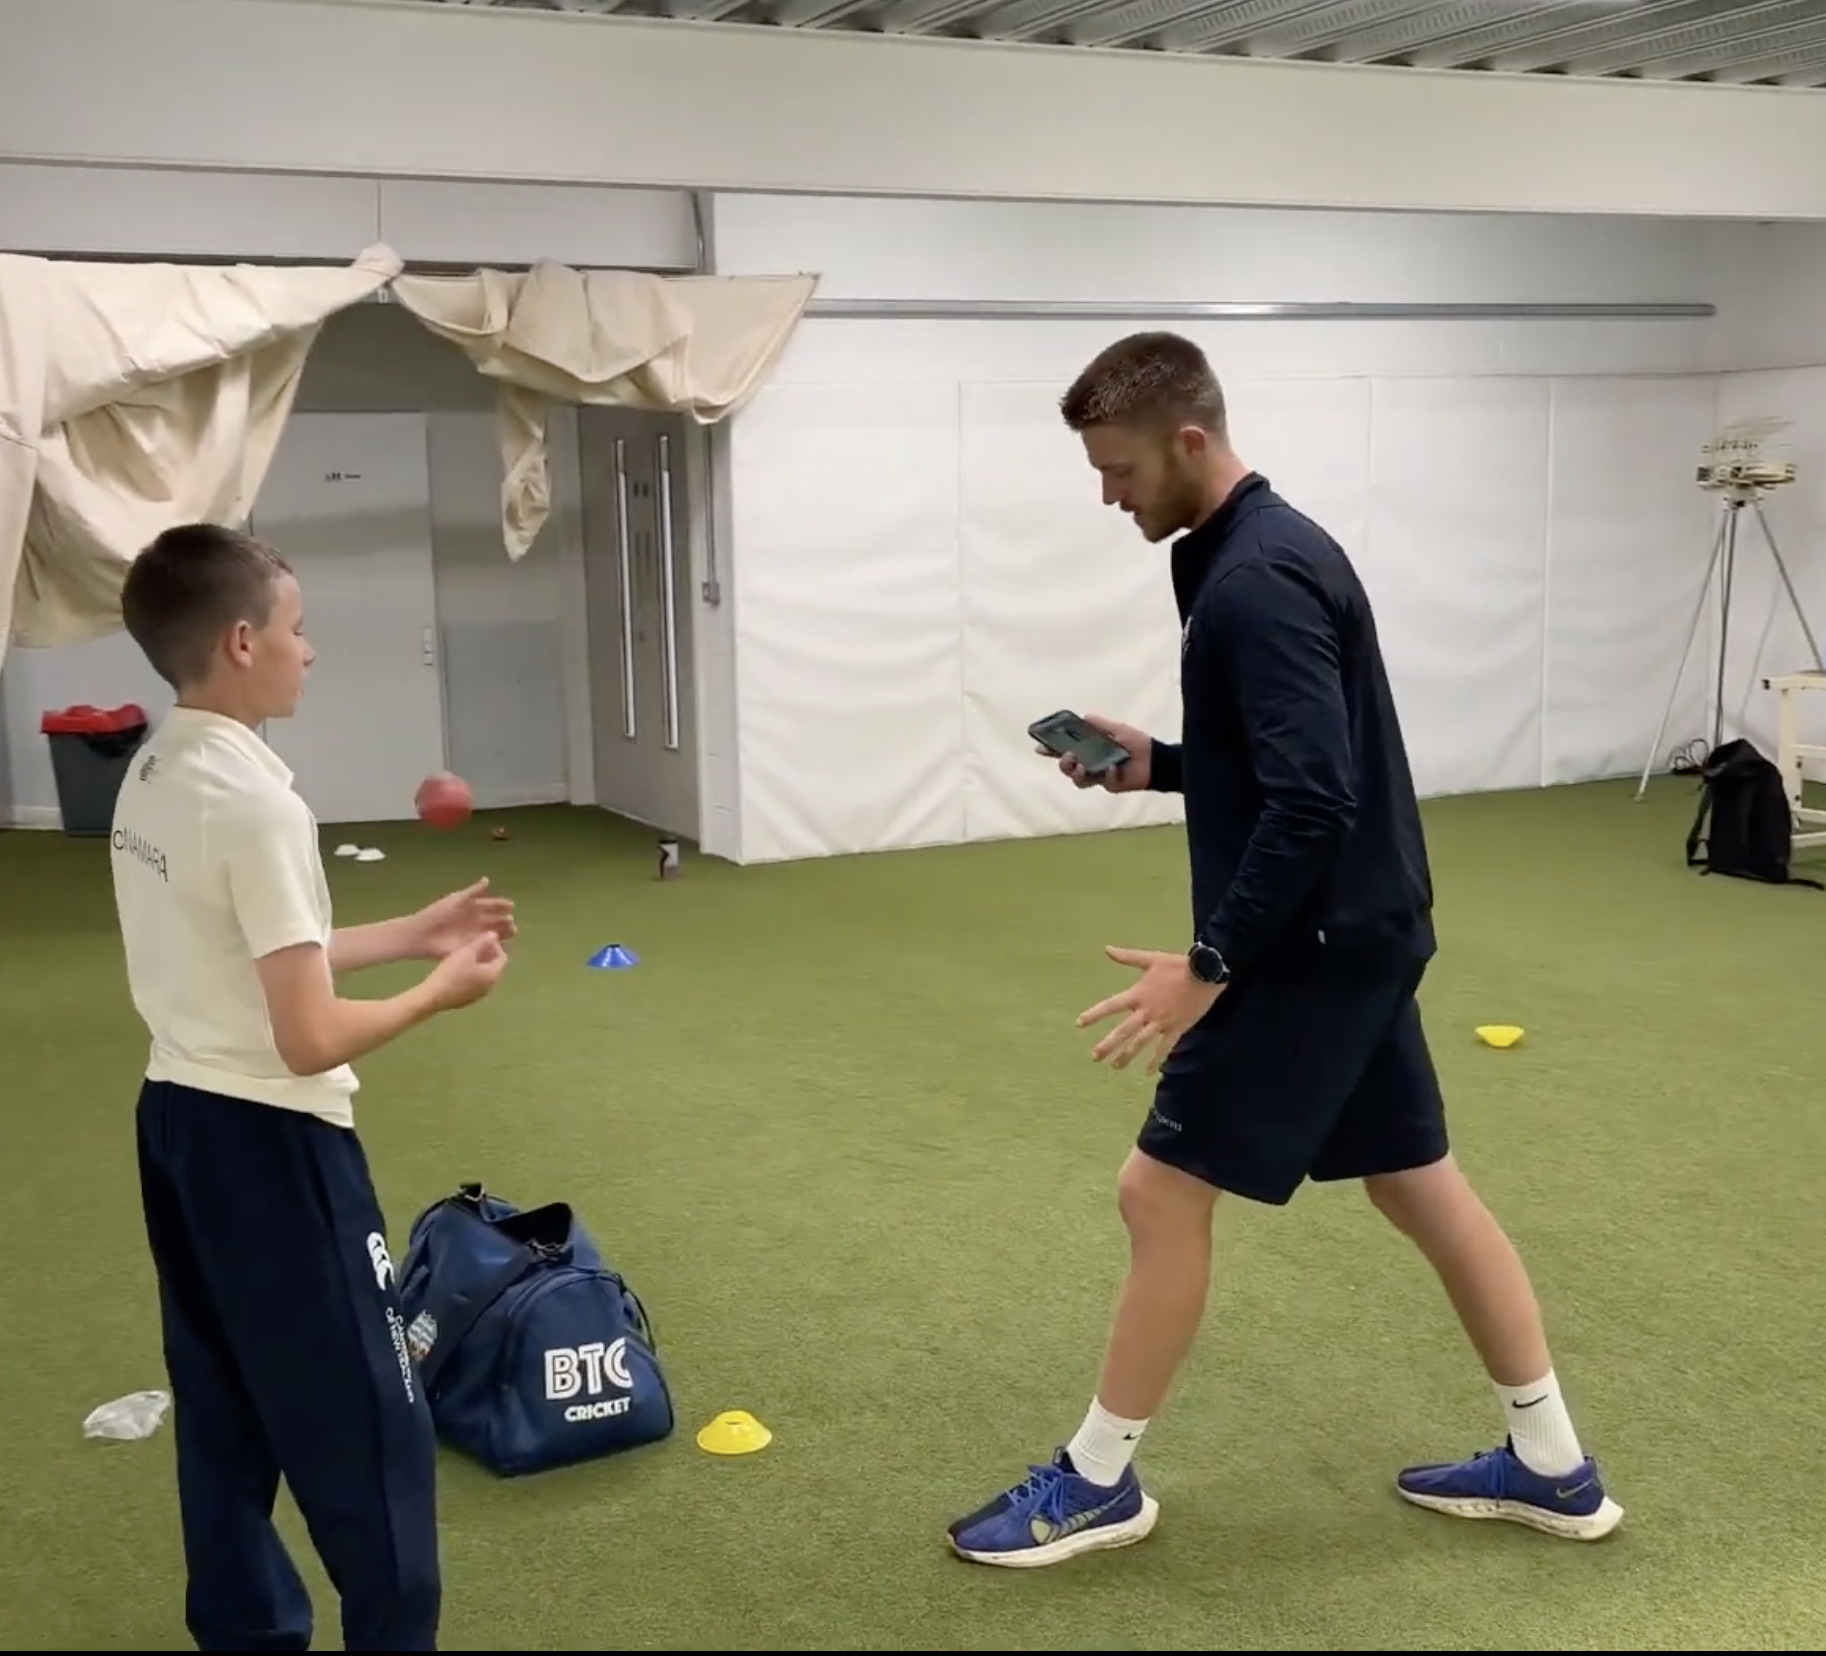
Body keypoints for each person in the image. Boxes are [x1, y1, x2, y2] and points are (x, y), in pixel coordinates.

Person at [946, 333, 1621, 1570]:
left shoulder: (1253, 581)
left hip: (1311, 948)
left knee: (1157, 1191)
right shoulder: (1251, 552)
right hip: (1360, 931)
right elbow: (1297, 765)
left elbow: (1313, 802)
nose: (1108, 495)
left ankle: (1096, 1484)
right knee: (1415, 1182)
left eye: (1118, 470)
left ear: (1189, 442)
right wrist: (1155, 761)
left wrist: (1205, 967)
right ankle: (1550, 1464)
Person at [110, 523, 515, 1651]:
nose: (310, 651)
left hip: (177, 1127)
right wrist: (438, 991)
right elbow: (305, 1035)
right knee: (377, 1435)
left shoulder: (158, 768)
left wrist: (408, 932)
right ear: (242, 641)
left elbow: (252, 948)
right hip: (275, 1150)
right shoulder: (259, 807)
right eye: (297, 629)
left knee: (226, 1411)